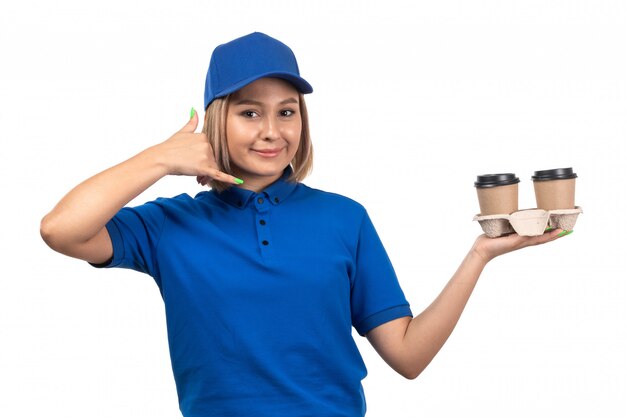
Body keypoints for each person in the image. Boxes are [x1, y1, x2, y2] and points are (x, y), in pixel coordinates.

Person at [40, 32, 572, 417]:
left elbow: (408, 357)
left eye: (287, 112)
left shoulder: (343, 218)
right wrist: (159, 158)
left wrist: (478, 254)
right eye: (250, 113)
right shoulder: (170, 225)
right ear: (215, 118)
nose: (272, 131)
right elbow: (61, 229)